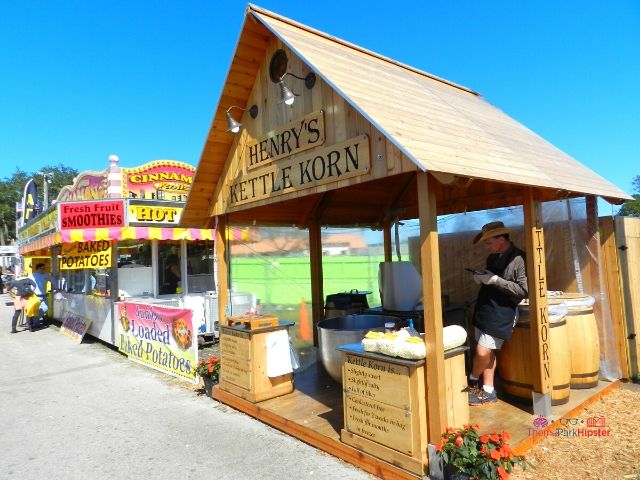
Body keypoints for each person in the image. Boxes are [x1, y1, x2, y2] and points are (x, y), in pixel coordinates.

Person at [465, 221, 528, 406]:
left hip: (502, 312)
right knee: (489, 351)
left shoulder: (519, 258)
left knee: (482, 351)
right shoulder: (493, 257)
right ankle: (489, 391)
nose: (486, 246)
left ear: (501, 238)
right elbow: (491, 278)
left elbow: (523, 291)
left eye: (488, 242)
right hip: (485, 308)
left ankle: (472, 380)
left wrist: (494, 280)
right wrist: (482, 277)